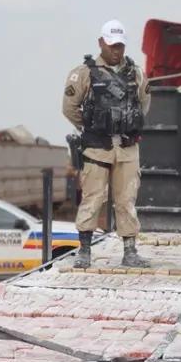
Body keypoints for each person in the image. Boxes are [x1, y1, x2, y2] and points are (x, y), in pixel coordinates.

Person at [62, 19, 151, 268]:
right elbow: (69, 108)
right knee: (92, 198)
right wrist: (90, 128)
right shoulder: (84, 73)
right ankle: (84, 251)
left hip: (127, 148)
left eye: (120, 45)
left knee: (126, 200)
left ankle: (130, 252)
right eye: (111, 45)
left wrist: (127, 125)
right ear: (101, 42)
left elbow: (144, 104)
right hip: (96, 148)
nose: (116, 50)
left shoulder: (136, 73)